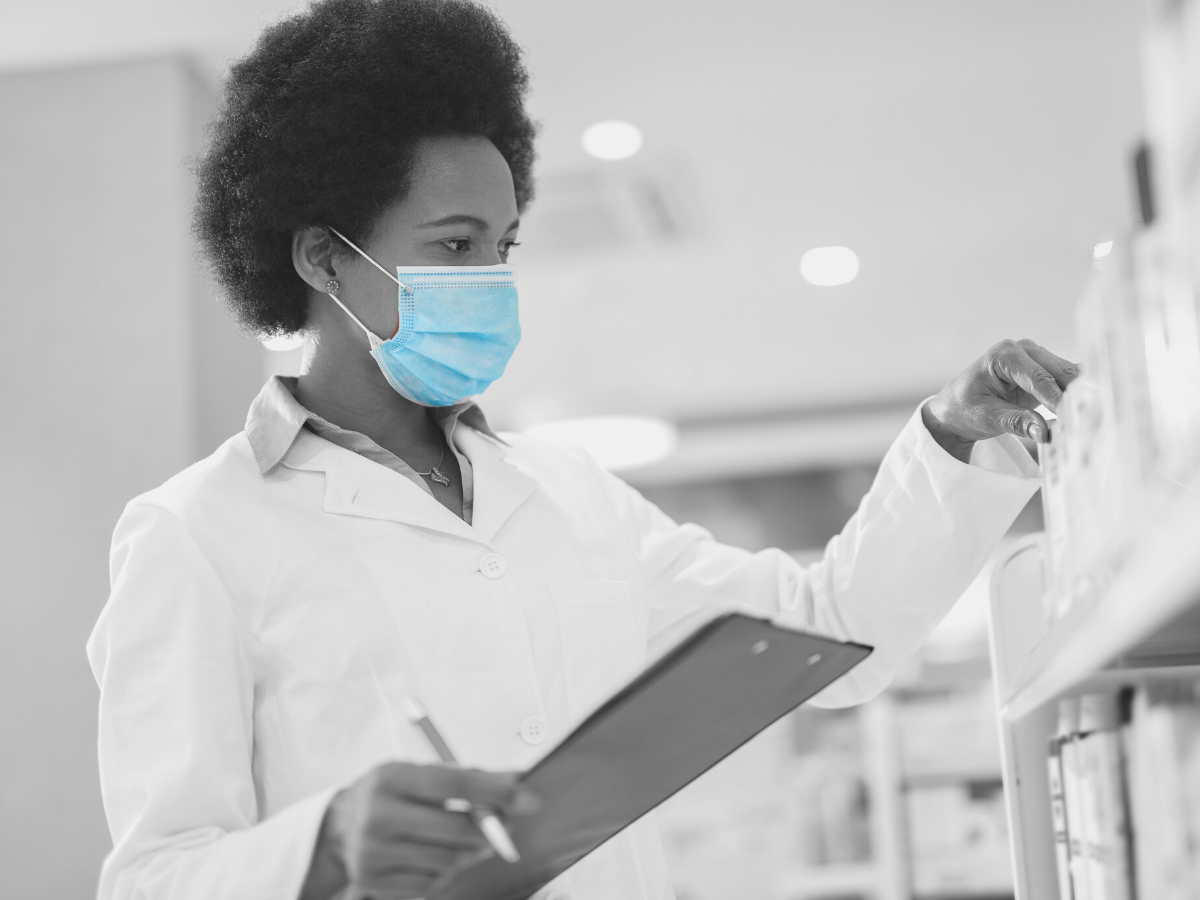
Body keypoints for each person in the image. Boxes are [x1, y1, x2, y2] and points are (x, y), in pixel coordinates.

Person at [86, 1, 1075, 898]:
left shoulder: (568, 497)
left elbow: (823, 636)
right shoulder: (198, 535)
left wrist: (950, 436)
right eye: (456, 244)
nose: (492, 280)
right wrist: (327, 844)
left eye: (505, 246)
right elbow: (153, 876)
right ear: (323, 256)